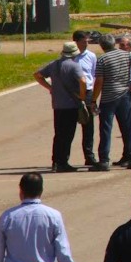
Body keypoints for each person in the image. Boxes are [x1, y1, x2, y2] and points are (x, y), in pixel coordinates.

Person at [37, 43, 95, 172]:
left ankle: (56, 161)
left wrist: (50, 88)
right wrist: (82, 95)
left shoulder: (53, 64)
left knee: (59, 134)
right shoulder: (74, 66)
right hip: (71, 105)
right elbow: (83, 81)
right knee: (68, 135)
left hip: (57, 105)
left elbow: (38, 75)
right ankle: (63, 162)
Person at [93, 33, 131, 172]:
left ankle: (104, 160)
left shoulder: (102, 59)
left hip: (109, 98)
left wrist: (93, 99)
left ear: (102, 46)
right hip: (124, 95)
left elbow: (99, 82)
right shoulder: (126, 55)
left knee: (106, 129)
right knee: (127, 127)